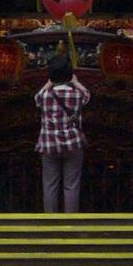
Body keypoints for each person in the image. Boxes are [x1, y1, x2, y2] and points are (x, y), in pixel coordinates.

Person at [35, 50, 90, 213]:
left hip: (49, 145)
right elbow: (87, 95)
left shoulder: (44, 96)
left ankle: (50, 221)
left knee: (50, 185)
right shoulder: (78, 94)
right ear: (70, 74)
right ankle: (71, 221)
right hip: (73, 144)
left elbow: (37, 97)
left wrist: (49, 83)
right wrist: (77, 81)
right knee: (72, 185)